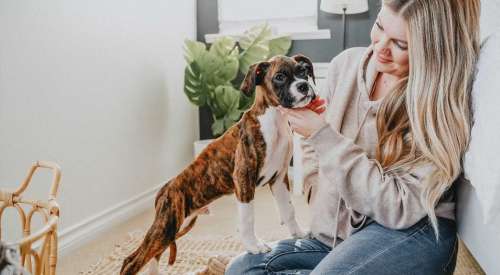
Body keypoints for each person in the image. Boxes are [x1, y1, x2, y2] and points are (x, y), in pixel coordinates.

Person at [224, 0, 480, 274]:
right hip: (338, 236)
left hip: (410, 228)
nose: (380, 48)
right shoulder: (344, 66)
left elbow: (400, 207)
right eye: (379, 26)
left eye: (400, 44)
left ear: (433, 48)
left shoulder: (437, 102)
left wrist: (322, 134)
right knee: (242, 268)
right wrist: (317, 192)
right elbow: (312, 148)